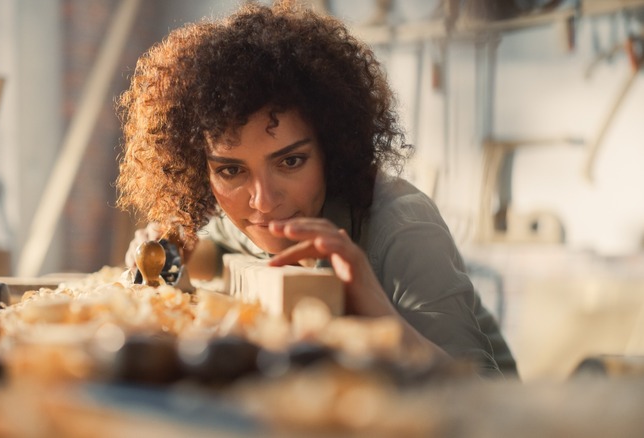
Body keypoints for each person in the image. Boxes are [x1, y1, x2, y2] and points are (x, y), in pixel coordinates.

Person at [116, 1, 517, 378]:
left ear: (332, 146)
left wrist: (374, 306)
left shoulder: (403, 227)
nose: (264, 202)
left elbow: (485, 401)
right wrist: (171, 252)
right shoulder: (249, 216)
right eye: (232, 171)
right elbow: (217, 250)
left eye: (290, 161)